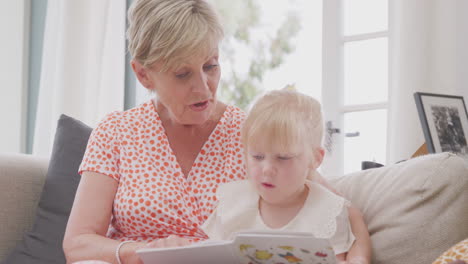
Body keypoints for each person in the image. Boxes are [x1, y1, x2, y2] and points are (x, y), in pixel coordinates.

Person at [62, 0, 370, 263]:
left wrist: (357, 259)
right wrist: (139, 251)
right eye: (183, 74)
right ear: (144, 75)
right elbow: (77, 242)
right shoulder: (116, 132)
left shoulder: (252, 133)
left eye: (210, 66)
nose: (204, 87)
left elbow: (339, 209)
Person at [202, 88, 371, 264]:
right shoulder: (233, 203)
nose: (267, 169)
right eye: (257, 156)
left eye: (283, 158)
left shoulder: (328, 212)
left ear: (315, 159)